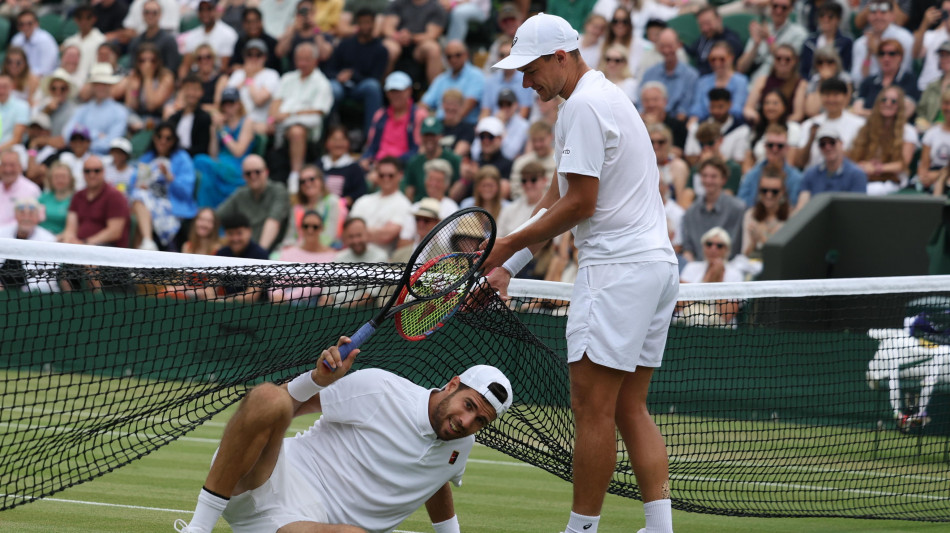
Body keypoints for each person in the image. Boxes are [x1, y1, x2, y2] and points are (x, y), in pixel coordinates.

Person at [483, 13, 678, 533]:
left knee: (591, 407)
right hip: (656, 268)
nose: (526, 82)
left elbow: (580, 205)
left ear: (560, 57)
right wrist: (513, 262)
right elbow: (558, 193)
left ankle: (581, 530)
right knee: (629, 407)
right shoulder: (600, 97)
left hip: (617, 271)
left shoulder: (586, 106)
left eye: (530, 69)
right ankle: (659, 528)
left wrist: (502, 244)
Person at [177, 331, 512, 533]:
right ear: (453, 385)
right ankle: (199, 527)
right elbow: (283, 406)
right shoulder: (379, 387)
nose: (467, 422)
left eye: (480, 420)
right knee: (267, 397)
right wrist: (315, 380)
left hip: (302, 525)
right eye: (468, 405)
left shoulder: (460, 444)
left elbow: (435, 478)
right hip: (268, 476)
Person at [269, 42, 334, 193]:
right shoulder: (287, 78)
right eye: (299, 59)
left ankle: (295, 174)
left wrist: (291, 114)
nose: (302, 63)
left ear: (315, 60)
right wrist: (274, 118)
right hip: (281, 125)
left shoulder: (322, 83)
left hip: (308, 130)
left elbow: (318, 111)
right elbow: (274, 106)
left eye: (306, 59)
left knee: (297, 131)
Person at [128, 123, 198, 250]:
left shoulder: (182, 158)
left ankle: (145, 248)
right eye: (159, 137)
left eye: (168, 138)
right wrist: (140, 185)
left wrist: (170, 178)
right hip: (147, 201)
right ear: (154, 138)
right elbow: (133, 185)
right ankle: (147, 243)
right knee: (138, 197)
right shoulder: (147, 158)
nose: (163, 141)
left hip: (173, 205)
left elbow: (186, 192)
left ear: (174, 140)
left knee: (140, 212)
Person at [323, 8, 387, 136]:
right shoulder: (344, 44)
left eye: (368, 22)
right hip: (341, 85)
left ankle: (371, 137)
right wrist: (339, 76)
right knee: (332, 89)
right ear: (357, 24)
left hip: (361, 87)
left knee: (373, 87)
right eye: (362, 22)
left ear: (374, 24)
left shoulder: (380, 49)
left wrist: (353, 76)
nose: (365, 26)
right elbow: (328, 70)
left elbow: (376, 78)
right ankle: (325, 135)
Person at [194, 87, 258, 208]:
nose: (228, 108)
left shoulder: (247, 122)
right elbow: (213, 154)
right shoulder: (221, 124)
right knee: (205, 178)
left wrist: (222, 132)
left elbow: (238, 151)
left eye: (231, 104)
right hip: (220, 163)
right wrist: (213, 130)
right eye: (225, 104)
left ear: (238, 104)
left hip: (237, 165)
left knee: (200, 160)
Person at [849, 86, 919, 195]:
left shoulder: (908, 131)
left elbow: (902, 165)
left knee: (872, 190)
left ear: (899, 106)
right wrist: (862, 166)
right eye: (884, 99)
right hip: (866, 175)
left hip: (893, 179)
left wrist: (877, 168)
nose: (888, 103)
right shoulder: (865, 127)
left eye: (893, 101)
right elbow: (855, 154)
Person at [216, 154, 291, 252]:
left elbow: (273, 221)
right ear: (243, 176)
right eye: (248, 173)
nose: (253, 176)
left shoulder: (278, 190)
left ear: (266, 172)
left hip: (273, 253)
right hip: (244, 253)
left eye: (257, 172)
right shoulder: (241, 194)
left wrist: (259, 254)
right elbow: (216, 217)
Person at [680, 157, 746, 263]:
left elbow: (737, 247)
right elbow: (688, 249)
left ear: (723, 180)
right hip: (698, 269)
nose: (708, 180)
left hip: (729, 268)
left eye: (713, 176)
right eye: (704, 176)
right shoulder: (690, 212)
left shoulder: (737, 208)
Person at [794, 78, 866, 170]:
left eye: (836, 95)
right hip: (814, 178)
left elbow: (860, 158)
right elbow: (799, 162)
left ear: (845, 97)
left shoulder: (859, 124)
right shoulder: (809, 124)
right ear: (821, 96)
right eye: (827, 95)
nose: (831, 99)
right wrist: (811, 138)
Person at [360, 71, 428, 167]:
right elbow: (372, 146)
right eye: (392, 91)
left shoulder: (419, 115)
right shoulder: (380, 115)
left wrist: (394, 163)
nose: (395, 95)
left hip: (405, 165)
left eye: (399, 91)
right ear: (387, 93)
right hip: (377, 165)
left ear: (409, 91)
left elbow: (418, 149)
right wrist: (366, 159)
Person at [60, 155, 130, 247]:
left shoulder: (115, 196)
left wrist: (85, 243)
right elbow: (70, 228)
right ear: (83, 173)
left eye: (96, 171)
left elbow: (114, 232)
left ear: (103, 172)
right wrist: (69, 240)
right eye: (87, 171)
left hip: (107, 251)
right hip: (80, 248)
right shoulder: (78, 196)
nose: (92, 175)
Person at [796, 125, 869, 212]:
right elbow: (802, 206)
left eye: (832, 142)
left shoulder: (857, 174)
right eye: (823, 144)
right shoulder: (811, 173)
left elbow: (857, 208)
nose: (828, 147)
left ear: (841, 143)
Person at [348, 156, 412, 252]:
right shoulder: (363, 200)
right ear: (376, 175)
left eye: (390, 175)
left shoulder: (404, 204)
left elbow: (386, 236)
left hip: (381, 262)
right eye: (382, 175)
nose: (386, 179)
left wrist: (358, 232)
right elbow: (347, 231)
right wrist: (377, 231)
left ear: (400, 175)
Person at [64, 63, 128, 157]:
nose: (100, 87)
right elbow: (67, 134)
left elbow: (112, 143)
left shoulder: (120, 112)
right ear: (92, 86)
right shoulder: (82, 110)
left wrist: (82, 139)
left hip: (104, 159)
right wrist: (97, 135)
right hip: (79, 157)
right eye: (97, 84)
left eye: (104, 84)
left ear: (110, 85)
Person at [736, 0, 808, 82]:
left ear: (790, 9)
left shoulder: (799, 33)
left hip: (781, 83)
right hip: (755, 82)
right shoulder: (762, 29)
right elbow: (741, 68)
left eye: (784, 8)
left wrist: (769, 39)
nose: (778, 11)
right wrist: (756, 45)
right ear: (770, 7)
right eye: (775, 6)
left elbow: (788, 63)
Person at [381, 0, 447, 84]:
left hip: (419, 46)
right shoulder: (397, 3)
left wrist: (411, 37)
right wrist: (398, 36)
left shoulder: (436, 7)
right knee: (389, 48)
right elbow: (387, 28)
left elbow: (432, 34)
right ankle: (380, 88)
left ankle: (436, 92)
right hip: (397, 41)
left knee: (433, 49)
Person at [738, 123, 803, 208]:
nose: (774, 149)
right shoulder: (751, 175)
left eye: (780, 146)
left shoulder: (797, 178)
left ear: (787, 148)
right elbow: (742, 204)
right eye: (770, 145)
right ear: (765, 146)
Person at [851, 0, 914, 88]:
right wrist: (868, 54)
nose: (878, 16)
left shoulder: (904, 38)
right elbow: (858, 79)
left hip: (897, 89)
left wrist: (877, 51)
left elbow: (903, 73)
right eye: (873, 12)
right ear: (868, 16)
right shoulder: (861, 43)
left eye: (883, 12)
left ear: (892, 16)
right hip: (869, 91)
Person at [420, 40, 485, 124]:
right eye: (449, 56)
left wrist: (447, 126)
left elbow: (468, 105)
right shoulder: (441, 79)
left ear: (466, 55)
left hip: (465, 126)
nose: (453, 59)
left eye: (457, 55)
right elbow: (424, 103)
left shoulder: (476, 75)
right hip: (440, 126)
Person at [641, 28, 699, 122]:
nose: (666, 50)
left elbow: (684, 111)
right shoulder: (650, 73)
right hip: (648, 122)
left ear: (679, 45)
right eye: (662, 46)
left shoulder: (690, 76)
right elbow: (641, 105)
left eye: (670, 46)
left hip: (675, 124)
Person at [852, 39, 920, 118]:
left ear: (900, 57)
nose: (886, 58)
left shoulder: (909, 79)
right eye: (881, 54)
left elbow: (904, 112)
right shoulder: (869, 81)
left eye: (892, 54)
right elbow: (857, 111)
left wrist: (867, 113)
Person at [742, 45, 808, 126]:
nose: (782, 62)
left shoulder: (800, 83)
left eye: (787, 59)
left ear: (795, 61)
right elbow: (748, 108)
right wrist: (757, 118)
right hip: (762, 124)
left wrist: (779, 124)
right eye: (778, 58)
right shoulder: (762, 80)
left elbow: (798, 115)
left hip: (786, 127)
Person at [220, 39, 280, 126]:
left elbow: (259, 100)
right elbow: (227, 98)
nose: (254, 58)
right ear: (244, 57)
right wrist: (243, 80)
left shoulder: (271, 74)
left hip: (257, 122)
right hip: (234, 120)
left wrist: (249, 79)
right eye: (250, 55)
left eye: (258, 55)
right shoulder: (238, 74)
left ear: (265, 57)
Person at [282, 165, 343, 249]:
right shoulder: (297, 208)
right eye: (303, 181)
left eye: (312, 179)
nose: (307, 183)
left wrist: (307, 248)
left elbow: (331, 235)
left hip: (326, 250)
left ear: (321, 181)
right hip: (299, 249)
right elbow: (291, 236)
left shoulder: (333, 202)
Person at [687, 42, 748, 126]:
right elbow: (697, 109)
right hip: (705, 125)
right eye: (713, 59)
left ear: (731, 58)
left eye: (722, 59)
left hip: (731, 125)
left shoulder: (741, 81)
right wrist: (692, 123)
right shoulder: (703, 81)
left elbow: (737, 109)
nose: (717, 63)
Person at [742, 89, 802, 173]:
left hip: (782, 177)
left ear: (784, 107)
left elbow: (790, 162)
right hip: (756, 177)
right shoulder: (756, 130)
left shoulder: (793, 128)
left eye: (775, 103)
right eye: (767, 103)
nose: (770, 107)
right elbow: (747, 162)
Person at [404, 117, 462, 203]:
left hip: (444, 209)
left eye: (433, 135)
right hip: (420, 208)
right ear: (421, 136)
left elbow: (457, 188)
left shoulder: (454, 159)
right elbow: (409, 191)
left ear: (440, 136)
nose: (429, 139)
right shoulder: (414, 162)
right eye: (426, 135)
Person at [179, 0, 239, 79]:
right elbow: (185, 65)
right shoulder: (191, 36)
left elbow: (224, 67)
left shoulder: (228, 34)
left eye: (208, 9)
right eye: (201, 10)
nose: (205, 13)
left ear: (215, 10)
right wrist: (183, 82)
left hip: (217, 79)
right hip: (195, 79)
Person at [480, 41, 534, 121]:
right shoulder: (490, 81)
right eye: (502, 55)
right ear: (497, 58)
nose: (505, 58)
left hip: (516, 127)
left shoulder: (526, 79)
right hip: (494, 125)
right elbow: (485, 112)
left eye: (509, 55)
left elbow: (524, 113)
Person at [799, 2, 853, 80]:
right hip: (811, 83)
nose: (825, 19)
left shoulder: (846, 42)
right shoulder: (809, 42)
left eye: (830, 16)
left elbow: (845, 68)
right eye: (822, 16)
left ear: (838, 19)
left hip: (837, 83)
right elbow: (804, 70)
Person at [127, 0, 182, 76]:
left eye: (154, 12)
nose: (150, 16)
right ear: (142, 14)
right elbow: (132, 67)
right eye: (147, 12)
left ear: (160, 15)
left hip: (161, 80)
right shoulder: (136, 41)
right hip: (139, 79)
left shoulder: (169, 41)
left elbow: (172, 69)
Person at [741, 171, 789, 258]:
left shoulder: (791, 217)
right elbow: (745, 255)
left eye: (774, 191)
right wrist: (754, 242)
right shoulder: (751, 214)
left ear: (782, 191)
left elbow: (784, 256)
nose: (769, 195)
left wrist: (762, 238)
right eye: (764, 190)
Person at [319, 125, 367, 209]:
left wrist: (343, 202)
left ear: (348, 143)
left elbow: (360, 193)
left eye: (342, 139)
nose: (338, 143)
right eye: (334, 139)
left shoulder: (354, 168)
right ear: (326, 142)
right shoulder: (319, 164)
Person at [166, 74, 213, 158]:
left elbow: (202, 148)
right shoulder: (174, 118)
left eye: (195, 89)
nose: (191, 93)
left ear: (201, 92)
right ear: (182, 91)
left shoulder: (204, 118)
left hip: (193, 159)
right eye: (188, 89)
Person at [649, 123, 692, 210]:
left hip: (669, 212)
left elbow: (680, 201)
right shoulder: (644, 165)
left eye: (661, 142)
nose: (656, 146)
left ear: (669, 143)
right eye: (652, 142)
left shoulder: (678, 166)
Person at [802, 46, 852, 119]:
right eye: (820, 62)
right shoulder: (815, 79)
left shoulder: (845, 79)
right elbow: (811, 111)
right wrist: (822, 82)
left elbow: (842, 106)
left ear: (837, 62)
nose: (824, 66)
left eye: (829, 62)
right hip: (819, 119)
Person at [62, 4, 107, 83]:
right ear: (75, 20)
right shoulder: (69, 42)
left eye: (88, 17)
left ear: (94, 19)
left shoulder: (101, 40)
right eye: (80, 18)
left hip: (90, 82)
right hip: (68, 82)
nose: (84, 21)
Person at [229, 7, 281, 72]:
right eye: (249, 22)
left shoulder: (272, 42)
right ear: (243, 24)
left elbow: (275, 66)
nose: (252, 25)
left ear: (261, 22)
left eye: (255, 21)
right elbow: (233, 65)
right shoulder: (240, 42)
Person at [392, 196, 441, 262]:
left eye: (426, 220)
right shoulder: (398, 255)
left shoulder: (445, 257)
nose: (421, 224)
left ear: (436, 223)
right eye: (417, 219)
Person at [920, 89, 950, 194]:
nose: (948, 108)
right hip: (932, 178)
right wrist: (925, 177)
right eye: (946, 103)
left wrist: (938, 176)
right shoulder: (932, 133)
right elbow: (924, 165)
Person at [10, 10, 58, 76]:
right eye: (22, 24)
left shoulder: (46, 40)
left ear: (36, 24)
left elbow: (46, 70)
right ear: (18, 26)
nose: (25, 27)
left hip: (43, 79)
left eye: (29, 23)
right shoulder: (16, 39)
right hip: (21, 78)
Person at [0, 149, 41, 225]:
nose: (7, 169)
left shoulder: (31, 190)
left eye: (12, 165)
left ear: (20, 167)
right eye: (4, 165)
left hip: (14, 236)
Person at [917, 41, 950, 133]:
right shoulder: (932, 86)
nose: (945, 59)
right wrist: (924, 125)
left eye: (948, 55)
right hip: (929, 132)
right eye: (942, 55)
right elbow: (921, 112)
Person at [38, 162, 75, 236]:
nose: (60, 180)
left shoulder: (75, 200)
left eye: (63, 177)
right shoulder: (43, 198)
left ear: (70, 179)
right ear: (50, 179)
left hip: (61, 241)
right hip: (40, 238)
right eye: (56, 177)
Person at [0, 75, 29, 153]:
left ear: (12, 87)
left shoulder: (22, 106)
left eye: (4, 87)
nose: (1, 91)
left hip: (11, 151)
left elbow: (17, 139)